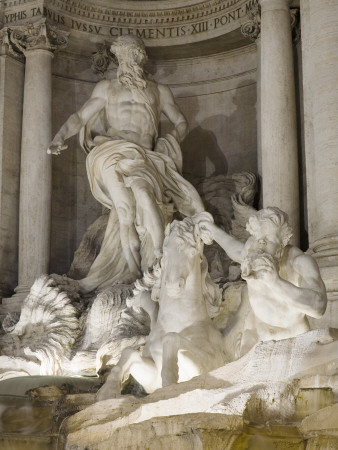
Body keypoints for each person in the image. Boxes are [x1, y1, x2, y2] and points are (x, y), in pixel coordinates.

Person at [47, 35, 204, 293]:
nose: (128, 60)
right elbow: (79, 116)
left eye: (132, 54)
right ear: (118, 58)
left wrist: (171, 139)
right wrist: (60, 136)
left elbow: (181, 122)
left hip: (144, 156)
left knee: (143, 194)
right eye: (123, 56)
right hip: (111, 151)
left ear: (141, 57)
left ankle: (161, 256)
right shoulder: (106, 88)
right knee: (124, 210)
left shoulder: (159, 90)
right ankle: (133, 268)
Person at [202, 207, 327, 355]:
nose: (260, 244)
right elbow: (236, 251)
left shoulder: (299, 262)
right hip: (255, 333)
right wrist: (211, 229)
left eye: (268, 240)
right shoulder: (252, 250)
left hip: (292, 337)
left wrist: (276, 282)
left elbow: (318, 306)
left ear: (281, 246)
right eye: (257, 238)